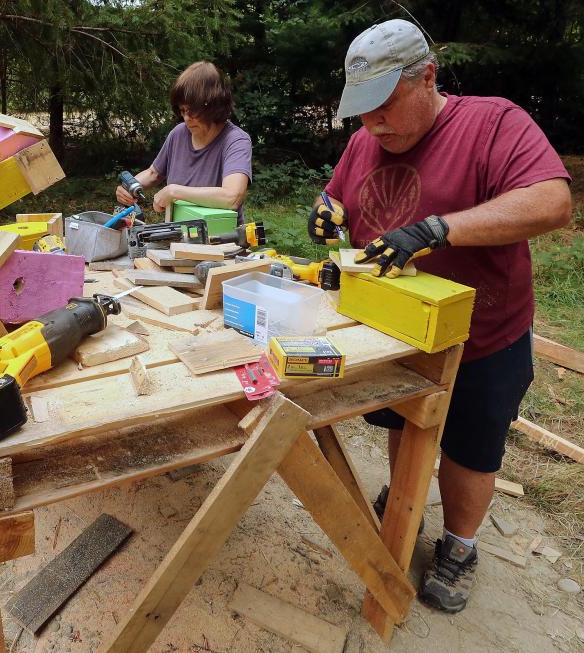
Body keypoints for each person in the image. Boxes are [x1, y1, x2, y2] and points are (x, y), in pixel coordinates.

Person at [309, 19, 571, 613]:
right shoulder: (365, 139)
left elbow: (552, 200)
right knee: (402, 424)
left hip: (483, 335)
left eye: (384, 105)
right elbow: (339, 194)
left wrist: (437, 230)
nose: (371, 122)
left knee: (471, 450)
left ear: (427, 76)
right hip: (393, 329)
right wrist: (326, 210)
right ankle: (404, 498)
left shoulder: (493, 122)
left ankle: (459, 545)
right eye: (362, 110)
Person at [115, 61, 252, 220]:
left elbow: (232, 197)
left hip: (221, 240)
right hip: (177, 235)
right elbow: (153, 173)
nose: (186, 118)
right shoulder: (179, 133)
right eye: (183, 110)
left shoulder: (235, 141)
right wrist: (130, 187)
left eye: (193, 110)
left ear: (213, 105)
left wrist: (174, 192)